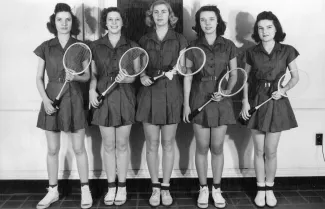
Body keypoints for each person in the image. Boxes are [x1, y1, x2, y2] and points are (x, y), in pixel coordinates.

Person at [34, 3, 92, 209]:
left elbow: (87, 76)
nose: (64, 23)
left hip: (74, 98)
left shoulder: (82, 46)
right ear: (54, 22)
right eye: (60, 19)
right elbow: (39, 78)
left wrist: (75, 76)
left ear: (72, 22)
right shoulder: (45, 46)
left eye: (68, 19)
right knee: (52, 149)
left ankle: (85, 190)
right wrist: (45, 100)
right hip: (51, 98)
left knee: (79, 148)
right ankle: (52, 191)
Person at [240, 11, 300, 207]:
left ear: (276, 29)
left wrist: (283, 90)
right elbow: (245, 79)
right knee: (258, 150)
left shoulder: (287, 50)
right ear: (257, 31)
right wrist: (245, 102)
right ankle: (260, 189)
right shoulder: (251, 52)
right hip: (257, 100)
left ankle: (270, 188)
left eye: (269, 27)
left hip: (277, 102)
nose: (264, 31)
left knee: (271, 151)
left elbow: (295, 77)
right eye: (260, 28)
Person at [183, 5, 238, 209]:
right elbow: (188, 76)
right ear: (198, 23)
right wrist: (186, 104)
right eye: (203, 20)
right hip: (199, 98)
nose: (207, 23)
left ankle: (217, 188)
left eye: (211, 19)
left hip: (222, 101)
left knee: (217, 147)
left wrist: (225, 91)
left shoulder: (229, 45)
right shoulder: (192, 45)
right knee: (202, 147)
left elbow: (234, 75)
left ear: (218, 21)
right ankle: (203, 188)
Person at [135, 0, 187, 206]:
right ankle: (155, 188)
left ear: (170, 15)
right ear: (151, 16)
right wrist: (142, 78)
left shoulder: (181, 39)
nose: (159, 15)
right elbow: (139, 69)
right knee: (152, 144)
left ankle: (166, 188)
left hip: (172, 94)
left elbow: (185, 68)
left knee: (167, 144)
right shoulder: (144, 39)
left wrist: (178, 70)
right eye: (156, 12)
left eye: (163, 11)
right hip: (149, 95)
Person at [88, 7, 137, 206]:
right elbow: (92, 74)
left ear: (122, 22)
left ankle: (122, 187)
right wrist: (92, 90)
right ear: (105, 23)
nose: (114, 23)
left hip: (125, 97)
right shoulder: (94, 45)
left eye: (117, 19)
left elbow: (135, 75)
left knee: (122, 145)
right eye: (110, 20)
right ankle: (111, 188)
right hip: (102, 97)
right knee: (108, 145)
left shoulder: (132, 46)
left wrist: (126, 79)